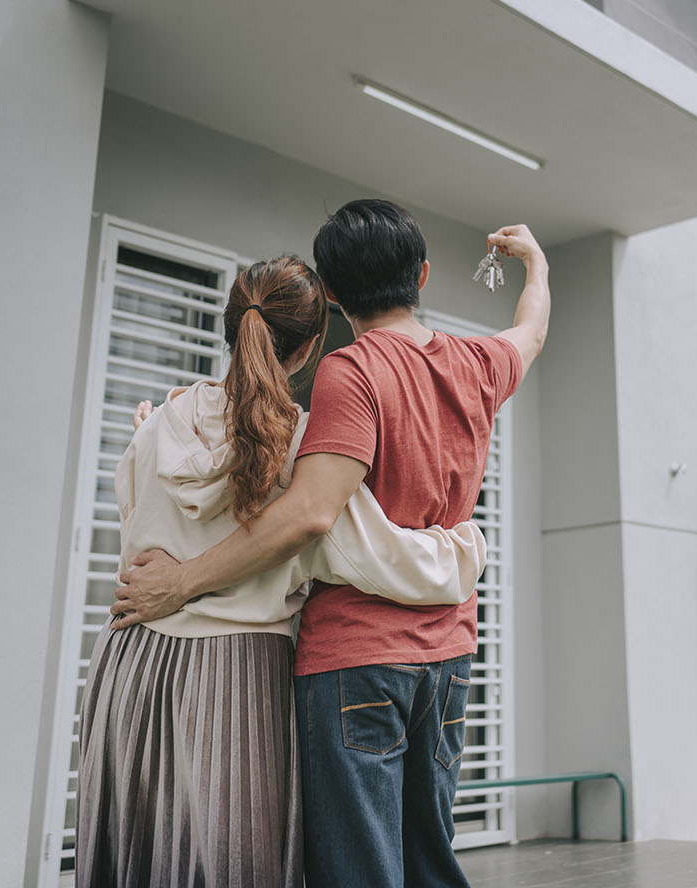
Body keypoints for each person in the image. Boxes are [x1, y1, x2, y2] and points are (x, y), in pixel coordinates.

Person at [112, 201, 550, 887]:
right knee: (430, 857)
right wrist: (537, 265)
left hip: (356, 659)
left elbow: (309, 513)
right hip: (451, 656)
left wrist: (184, 579)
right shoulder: (480, 363)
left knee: (359, 867)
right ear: (424, 276)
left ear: (336, 295)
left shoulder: (352, 372)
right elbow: (531, 331)